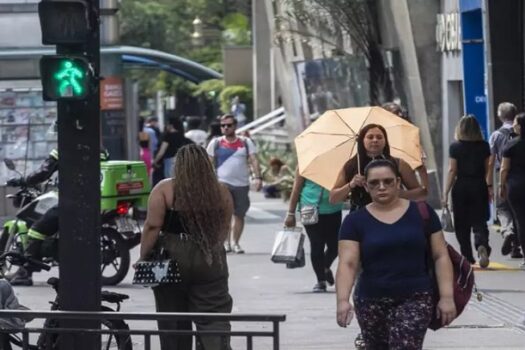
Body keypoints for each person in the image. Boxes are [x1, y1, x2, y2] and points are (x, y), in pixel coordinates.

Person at [336, 159, 456, 349]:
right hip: (371, 300)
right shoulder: (354, 222)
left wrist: (447, 297)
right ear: (366, 186)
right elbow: (347, 264)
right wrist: (343, 301)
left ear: (398, 182)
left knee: (405, 346)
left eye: (388, 181)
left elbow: (440, 255)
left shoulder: (423, 213)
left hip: (416, 297)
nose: (381, 187)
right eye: (374, 183)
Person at [138, 144, 234, 350]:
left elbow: (153, 226)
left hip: (172, 258)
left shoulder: (164, 189)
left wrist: (143, 257)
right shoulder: (221, 191)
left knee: (173, 318)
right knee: (214, 316)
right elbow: (224, 228)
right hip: (210, 256)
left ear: (178, 165)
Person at [7, 148, 110, 286]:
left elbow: (43, 172)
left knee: (36, 230)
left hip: (72, 198)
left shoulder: (63, 147)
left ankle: (25, 273)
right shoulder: (100, 150)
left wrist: (23, 180)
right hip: (98, 199)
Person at [329, 123, 426, 207]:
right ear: (362, 141)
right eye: (370, 137)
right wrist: (351, 184)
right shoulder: (351, 166)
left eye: (379, 137)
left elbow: (420, 193)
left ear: (385, 141)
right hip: (361, 217)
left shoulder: (399, 164)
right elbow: (333, 199)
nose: (375, 140)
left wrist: (399, 194)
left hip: (394, 213)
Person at [207, 114, 262, 254]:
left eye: (229, 125)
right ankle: (226, 243)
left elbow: (254, 160)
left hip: (242, 184)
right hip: (222, 183)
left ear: (235, 126)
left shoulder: (245, 142)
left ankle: (236, 243)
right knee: (224, 214)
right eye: (223, 125)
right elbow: (208, 163)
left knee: (239, 214)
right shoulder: (216, 143)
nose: (225, 127)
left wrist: (258, 177)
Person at [442, 115, 492, 268]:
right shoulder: (484, 146)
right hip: (479, 185)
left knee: (461, 223)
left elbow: (452, 170)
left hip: (461, 186)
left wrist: (445, 192)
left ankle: (467, 256)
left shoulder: (455, 147)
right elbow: (487, 169)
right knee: (479, 219)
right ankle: (482, 245)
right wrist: (488, 187)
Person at [285, 172, 342, 292]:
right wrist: (290, 213)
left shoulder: (338, 163)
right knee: (317, 244)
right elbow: (297, 187)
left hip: (334, 209)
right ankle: (320, 281)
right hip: (309, 208)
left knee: (335, 246)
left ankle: (325, 267)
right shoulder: (306, 162)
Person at [488, 102, 522, 258]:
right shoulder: (518, 134)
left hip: (504, 176)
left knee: (503, 208)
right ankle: (516, 247)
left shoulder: (496, 135)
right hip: (519, 174)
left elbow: (492, 160)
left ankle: (508, 231)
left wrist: (492, 183)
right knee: (519, 213)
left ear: (500, 115)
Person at [382, 102, 429, 191]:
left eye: (399, 113)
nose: (399, 115)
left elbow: (421, 167)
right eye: (395, 113)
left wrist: (424, 190)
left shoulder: (408, 137)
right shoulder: (380, 141)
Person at [500, 113, 525, 269]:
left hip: (516, 186)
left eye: (515, 123)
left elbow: (504, 168)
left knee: (521, 221)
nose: (513, 126)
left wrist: (501, 186)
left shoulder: (511, 145)